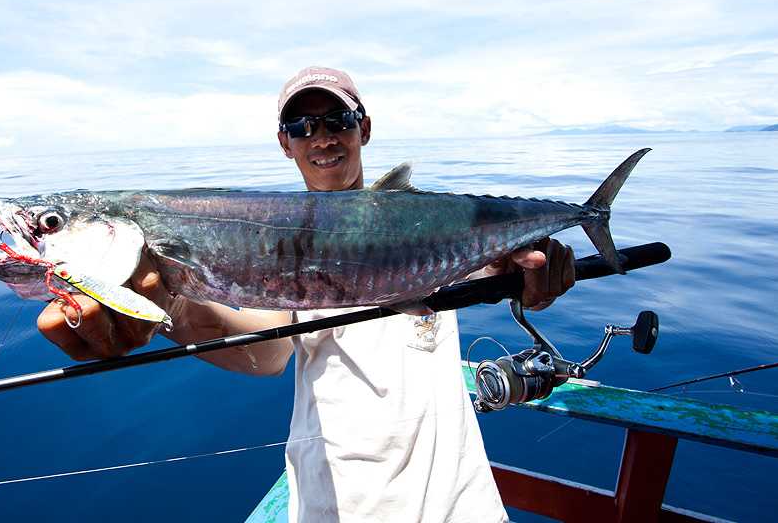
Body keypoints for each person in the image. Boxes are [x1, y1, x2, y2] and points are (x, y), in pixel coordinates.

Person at [37, 66, 576, 522]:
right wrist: (171, 309)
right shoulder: (275, 244)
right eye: (301, 126)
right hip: (335, 506)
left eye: (337, 120)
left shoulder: (431, 227)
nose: (321, 137)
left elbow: (488, 275)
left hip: (463, 505)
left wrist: (526, 278)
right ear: (285, 142)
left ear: (363, 129)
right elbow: (268, 351)